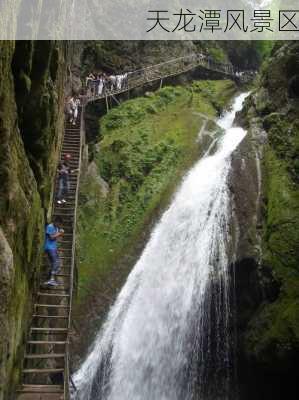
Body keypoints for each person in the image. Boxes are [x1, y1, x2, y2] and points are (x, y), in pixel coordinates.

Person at [44, 216, 64, 286]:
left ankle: (49, 279)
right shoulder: (50, 226)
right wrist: (59, 233)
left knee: (56, 264)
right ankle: (51, 279)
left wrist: (60, 234)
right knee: (56, 262)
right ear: (56, 222)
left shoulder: (56, 228)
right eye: (59, 224)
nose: (59, 225)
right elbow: (51, 237)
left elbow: (58, 237)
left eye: (60, 224)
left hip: (53, 248)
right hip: (49, 248)